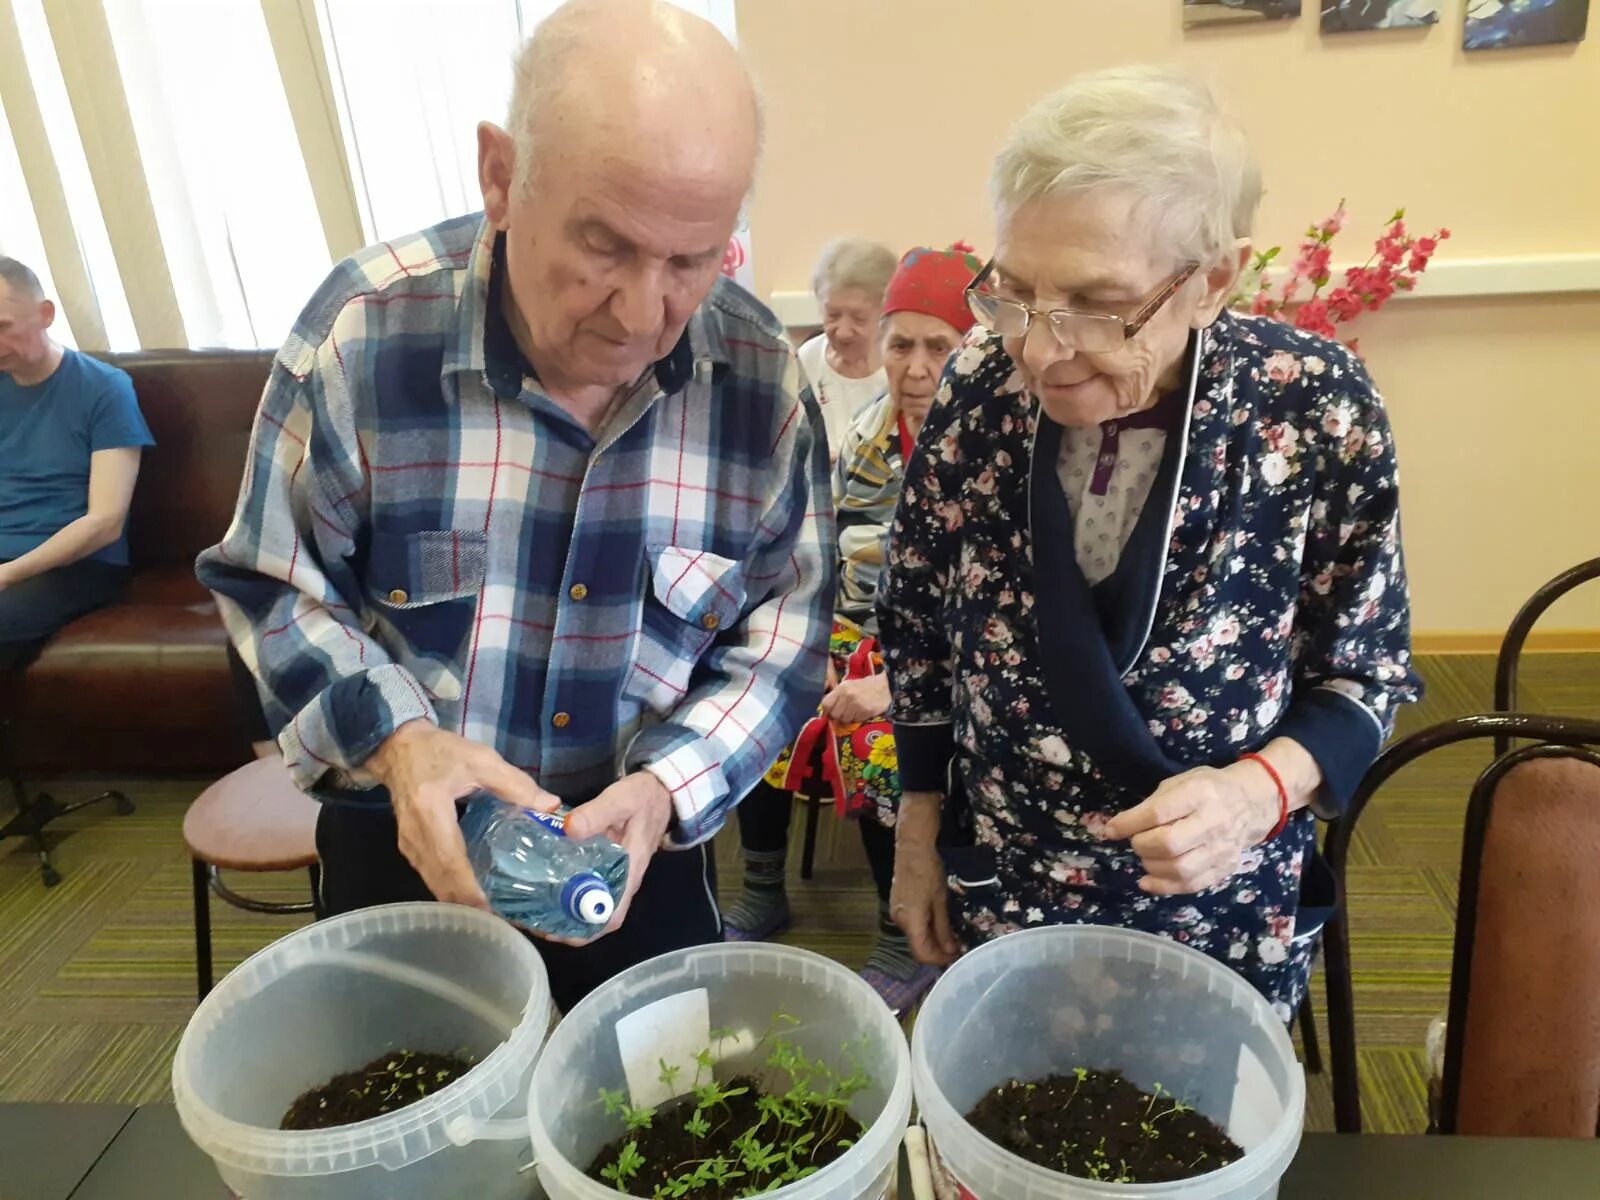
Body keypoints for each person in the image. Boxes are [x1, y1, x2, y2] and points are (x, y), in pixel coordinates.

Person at [196, 0, 833, 1013]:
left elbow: (786, 636)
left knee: (647, 1135)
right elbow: (271, 587)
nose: (642, 315)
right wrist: (401, 742)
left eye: (690, 261)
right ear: (500, 176)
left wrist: (670, 785)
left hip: (642, 852)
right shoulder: (365, 334)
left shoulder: (758, 384)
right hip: (406, 834)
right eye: (603, 247)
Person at [880, 66, 1423, 1023]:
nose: (1043, 351)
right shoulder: (979, 385)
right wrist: (918, 829)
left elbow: (1366, 675)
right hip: (1010, 876)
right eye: (1015, 293)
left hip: (1212, 896)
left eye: (1096, 304)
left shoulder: (1313, 405)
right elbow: (918, 620)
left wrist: (1258, 794)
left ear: (1213, 281)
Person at [725, 244, 979, 1014]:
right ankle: (761, 888)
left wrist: (889, 684)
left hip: (958, 665)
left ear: (974, 350)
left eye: (940, 346)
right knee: (758, 698)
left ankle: (905, 930)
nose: (914, 366)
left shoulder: (995, 449)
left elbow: (996, 623)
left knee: (879, 745)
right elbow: (826, 557)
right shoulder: (868, 436)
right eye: (901, 344)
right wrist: (808, 651)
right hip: (860, 631)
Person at [0, 258, 152, 673]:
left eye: (3, 327)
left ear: (45, 314)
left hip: (75, 564)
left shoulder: (104, 388)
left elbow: (105, 522)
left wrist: (8, 574)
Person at [796, 239, 897, 459]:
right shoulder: (807, 358)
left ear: (885, 311)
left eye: (859, 318)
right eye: (832, 315)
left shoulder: (898, 371)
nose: (842, 332)